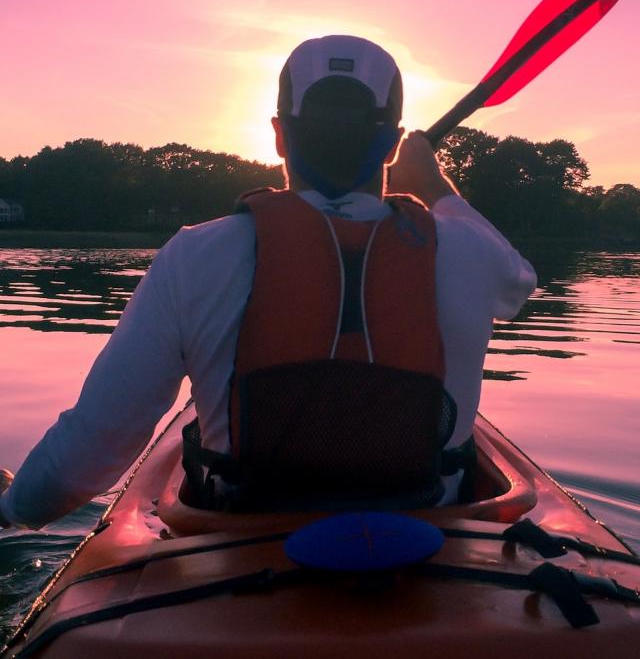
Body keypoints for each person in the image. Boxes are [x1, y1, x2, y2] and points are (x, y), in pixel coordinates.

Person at [0, 34, 536, 529]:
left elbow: (91, 449)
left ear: (280, 135)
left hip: (243, 546)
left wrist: (11, 510)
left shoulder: (195, 255)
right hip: (429, 546)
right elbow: (519, 283)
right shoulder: (468, 251)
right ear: (393, 144)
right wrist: (435, 183)